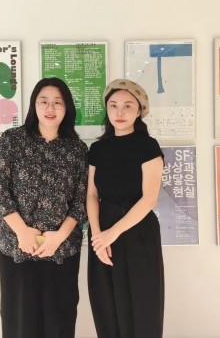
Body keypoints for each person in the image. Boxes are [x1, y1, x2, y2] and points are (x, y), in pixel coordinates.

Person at [0, 76, 88, 338]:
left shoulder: (77, 149)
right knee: (20, 324)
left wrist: (60, 236)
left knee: (60, 323)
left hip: (62, 251)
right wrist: (22, 232)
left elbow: (81, 201)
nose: (50, 108)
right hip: (18, 249)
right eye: (43, 101)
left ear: (67, 108)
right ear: (34, 105)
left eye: (57, 102)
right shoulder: (12, 141)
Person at [87, 79, 165, 338]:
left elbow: (149, 200)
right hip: (102, 234)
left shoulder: (148, 146)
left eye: (128, 105)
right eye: (113, 105)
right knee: (106, 305)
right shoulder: (97, 149)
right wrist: (98, 237)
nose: (119, 112)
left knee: (142, 304)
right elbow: (91, 194)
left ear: (139, 110)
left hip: (138, 231)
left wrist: (113, 233)